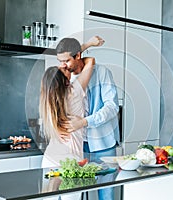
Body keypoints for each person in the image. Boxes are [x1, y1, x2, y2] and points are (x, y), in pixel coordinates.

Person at [56, 37, 120, 200]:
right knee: (75, 193)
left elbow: (112, 107)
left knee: (105, 194)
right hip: (77, 145)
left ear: (78, 56)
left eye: (66, 60)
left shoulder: (101, 72)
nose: (63, 65)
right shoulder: (64, 77)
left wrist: (84, 122)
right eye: (60, 61)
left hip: (103, 144)